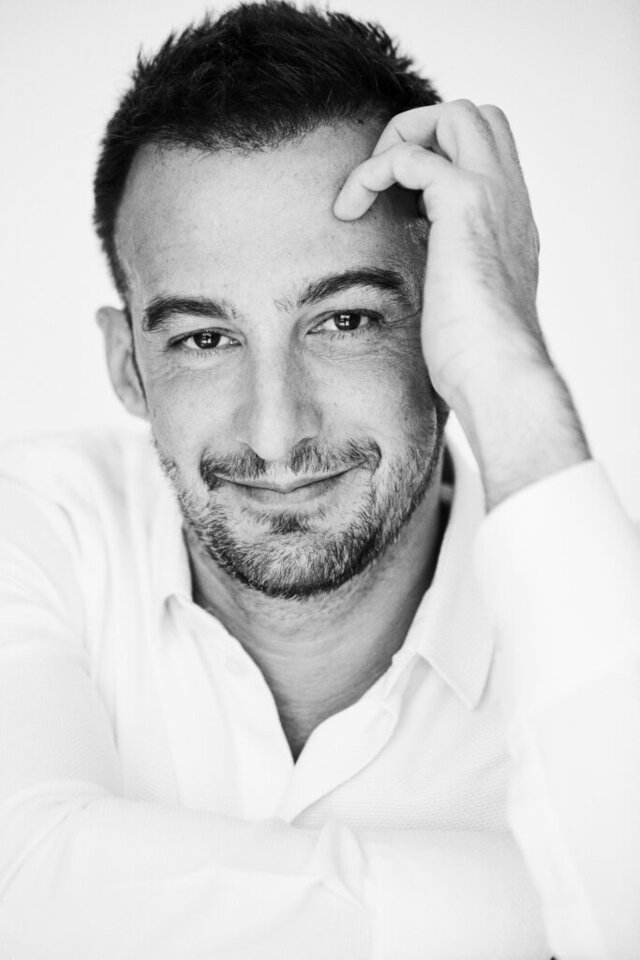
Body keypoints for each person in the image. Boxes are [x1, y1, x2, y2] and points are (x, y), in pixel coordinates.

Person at [0, 3, 638, 957]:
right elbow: (15, 881)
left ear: (443, 322)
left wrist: (512, 376)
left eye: (345, 322)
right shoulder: (36, 526)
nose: (275, 433)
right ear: (129, 366)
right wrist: (555, 906)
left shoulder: (601, 620)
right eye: (204, 339)